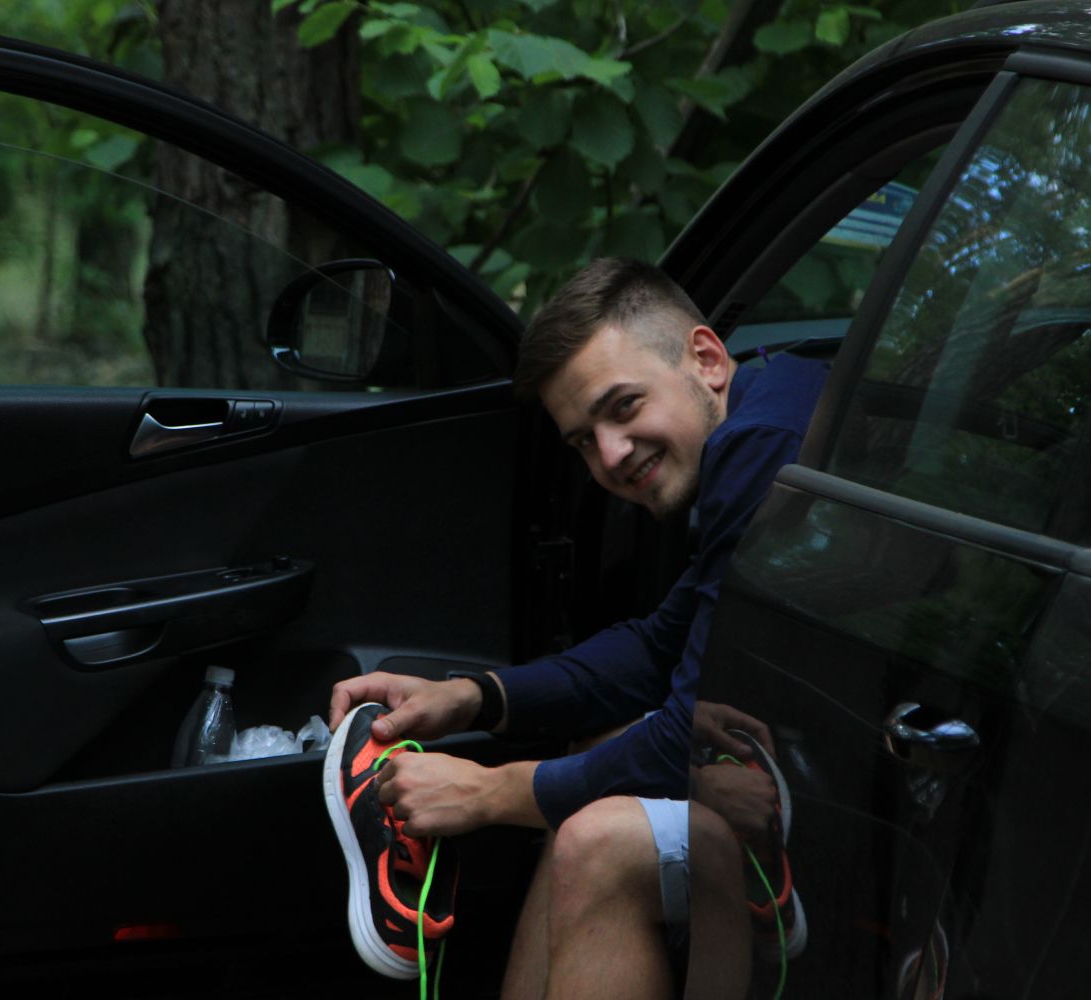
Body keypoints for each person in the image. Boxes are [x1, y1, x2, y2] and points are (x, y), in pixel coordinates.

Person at [326, 257, 829, 999]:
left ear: (707, 359)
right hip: (824, 730)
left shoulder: (760, 449)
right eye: (584, 440)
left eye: (624, 407)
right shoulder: (766, 413)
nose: (612, 456)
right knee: (605, 748)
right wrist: (476, 697)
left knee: (601, 830)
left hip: (866, 768)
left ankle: (758, 830)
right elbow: (660, 647)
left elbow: (675, 721)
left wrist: (488, 793)